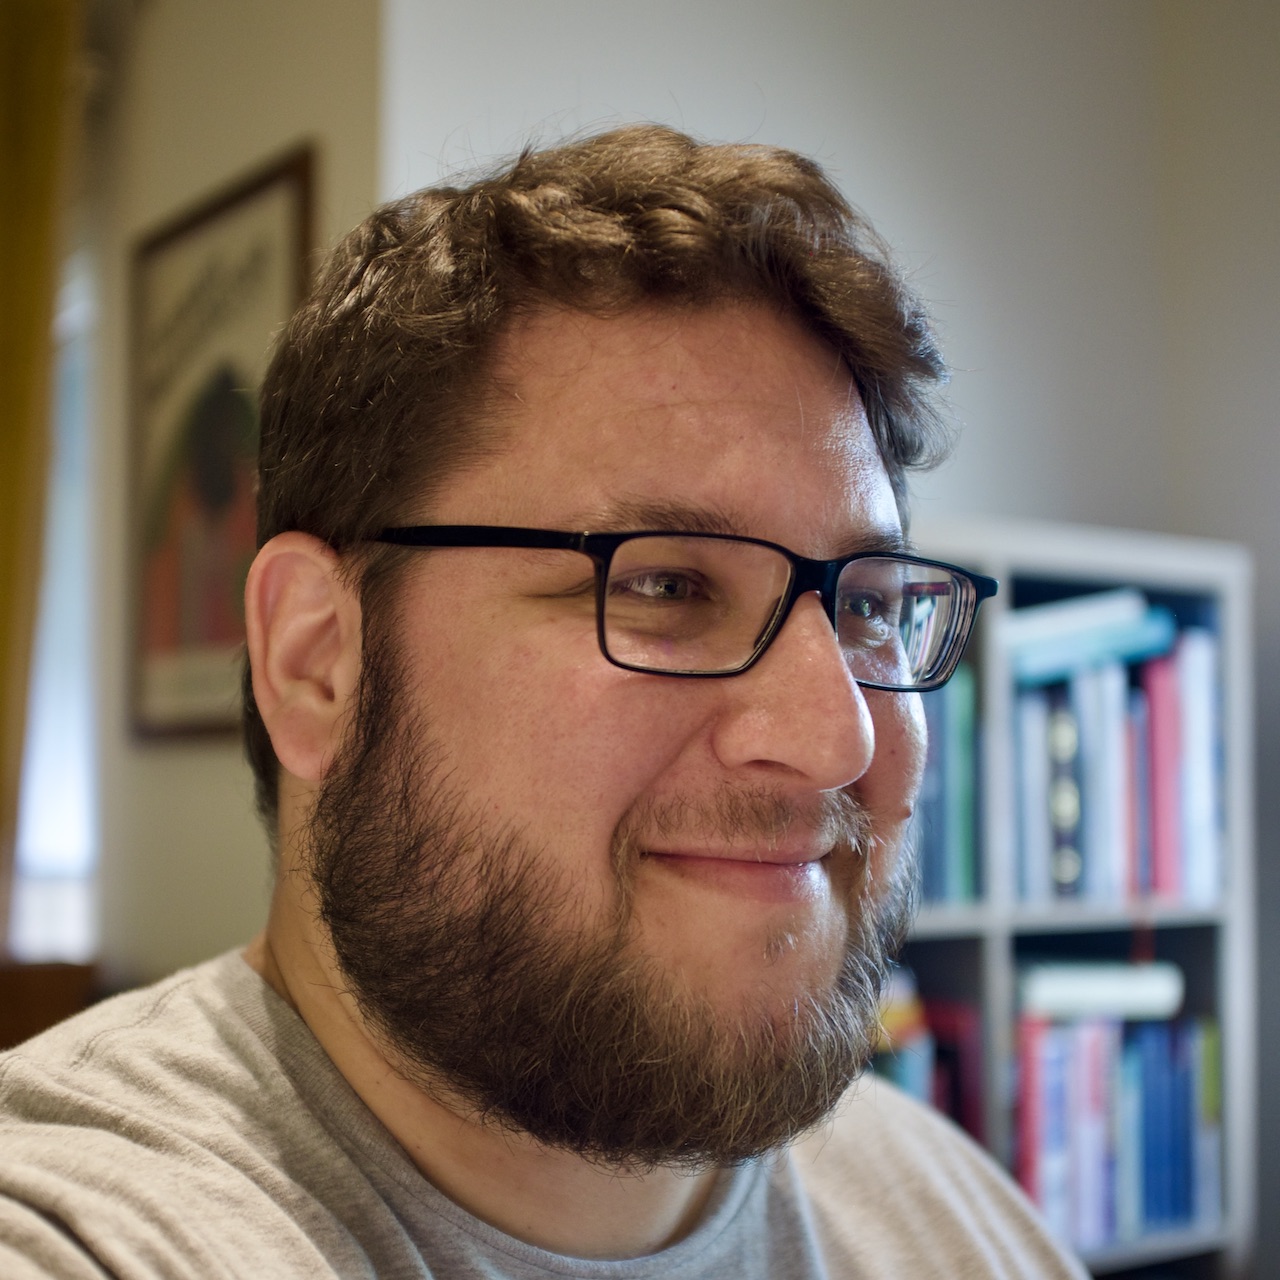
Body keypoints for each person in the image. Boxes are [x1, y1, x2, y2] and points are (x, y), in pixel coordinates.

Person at [0, 124, 1085, 1278]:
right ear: (317, 660)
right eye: (666, 583)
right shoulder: (85, 1232)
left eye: (865, 605)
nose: (835, 735)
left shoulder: (959, 1219)